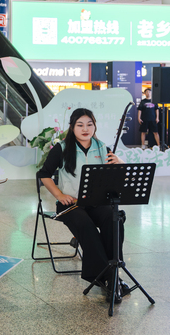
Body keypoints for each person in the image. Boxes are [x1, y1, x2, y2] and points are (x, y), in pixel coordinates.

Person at [37, 108, 130, 303]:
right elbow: (44, 174)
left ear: (95, 126)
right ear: (72, 127)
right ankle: (107, 278)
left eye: (89, 124)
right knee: (86, 226)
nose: (85, 129)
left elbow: (117, 176)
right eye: (80, 125)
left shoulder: (102, 147)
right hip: (70, 204)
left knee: (114, 220)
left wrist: (119, 162)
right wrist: (60, 195)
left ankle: (112, 274)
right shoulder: (62, 148)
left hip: (96, 202)